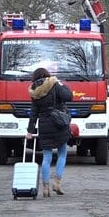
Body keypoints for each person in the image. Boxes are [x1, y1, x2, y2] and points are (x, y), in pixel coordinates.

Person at [25, 68, 73, 197]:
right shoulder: (54, 84)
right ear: (47, 75)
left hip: (44, 126)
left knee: (47, 157)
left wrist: (30, 131)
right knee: (62, 153)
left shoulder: (34, 91)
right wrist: (63, 85)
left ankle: (45, 188)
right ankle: (57, 182)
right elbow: (69, 97)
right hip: (58, 123)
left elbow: (33, 113)